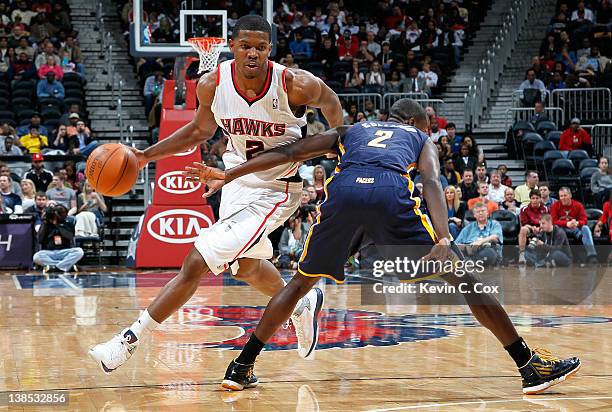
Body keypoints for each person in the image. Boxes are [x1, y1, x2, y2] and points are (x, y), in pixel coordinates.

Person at [186, 99, 580, 394]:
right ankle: (528, 366)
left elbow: (291, 152)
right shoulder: (418, 136)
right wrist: (443, 237)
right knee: (466, 283)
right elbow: (430, 181)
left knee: (299, 286)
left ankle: (242, 365)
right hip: (390, 194)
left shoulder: (351, 130)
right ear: (412, 123)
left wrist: (230, 172)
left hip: (343, 193)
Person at [89, 15, 343, 373]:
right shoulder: (211, 84)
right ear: (233, 47)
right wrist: (146, 156)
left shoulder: (294, 84)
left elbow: (332, 104)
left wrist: (341, 145)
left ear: (270, 49)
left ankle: (127, 341)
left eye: (260, 47)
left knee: (197, 260)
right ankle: (300, 303)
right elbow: (198, 131)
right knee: (244, 266)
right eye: (245, 46)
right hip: (237, 180)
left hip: (276, 190)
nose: (252, 53)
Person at [550, 187, 597, 262]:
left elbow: (584, 220)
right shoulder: (555, 206)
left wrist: (577, 223)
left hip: (575, 227)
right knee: (557, 228)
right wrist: (566, 223)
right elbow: (553, 221)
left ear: (570, 195)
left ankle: (592, 255)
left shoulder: (578, 205)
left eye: (565, 195)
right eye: (561, 196)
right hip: (562, 229)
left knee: (585, 228)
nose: (563, 198)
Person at [33, 204, 83, 273]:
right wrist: (45, 223)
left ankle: (53, 267)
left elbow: (70, 236)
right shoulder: (46, 224)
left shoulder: (68, 223)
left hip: (65, 252)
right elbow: (39, 239)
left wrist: (57, 225)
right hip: (50, 252)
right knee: (36, 256)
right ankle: (66, 266)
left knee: (79, 251)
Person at [455, 202, 503, 266]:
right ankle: (471, 262)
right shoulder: (468, 228)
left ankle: (470, 262)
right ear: (474, 215)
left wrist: (481, 242)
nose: (480, 213)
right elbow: (457, 243)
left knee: (489, 252)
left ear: (487, 213)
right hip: (470, 252)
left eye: (483, 211)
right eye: (478, 212)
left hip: (488, 250)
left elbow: (496, 237)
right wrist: (466, 247)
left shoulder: (495, 224)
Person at [518, 189, 549, 264]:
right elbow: (524, 223)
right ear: (530, 199)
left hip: (542, 228)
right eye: (533, 198)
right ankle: (522, 255)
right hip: (530, 228)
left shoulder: (545, 209)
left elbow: (547, 221)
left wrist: (540, 227)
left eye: (537, 198)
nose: (535, 200)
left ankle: (548, 254)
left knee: (549, 228)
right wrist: (532, 228)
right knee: (523, 229)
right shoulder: (524, 209)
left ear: (540, 199)